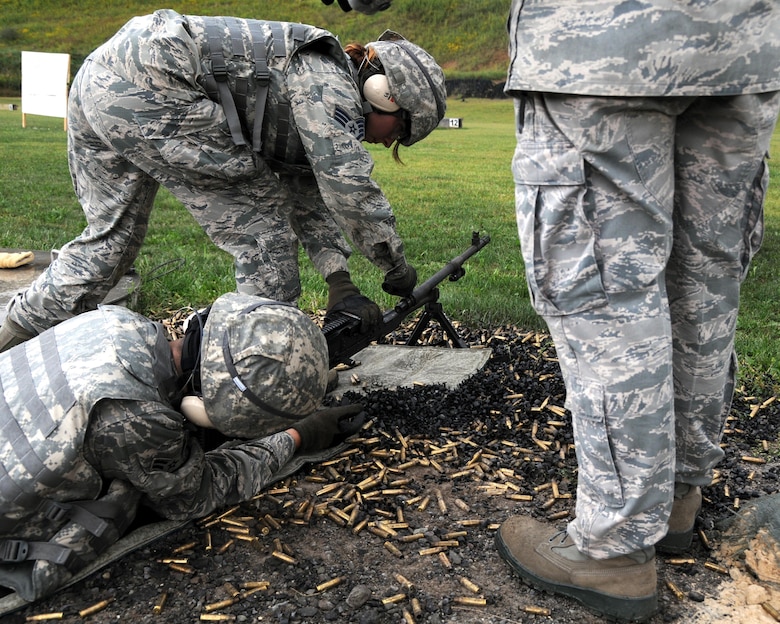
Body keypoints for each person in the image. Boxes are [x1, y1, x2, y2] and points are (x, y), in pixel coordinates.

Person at [489, 2, 780, 623]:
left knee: (603, 294)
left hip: (599, 46)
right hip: (742, 47)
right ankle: (677, 498)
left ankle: (615, 548)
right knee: (705, 284)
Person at [0, 9, 446, 353]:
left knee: (107, 245)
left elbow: (308, 191)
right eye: (400, 132)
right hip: (156, 81)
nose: (389, 143)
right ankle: (259, 370)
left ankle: (10, 334)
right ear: (384, 94)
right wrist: (396, 269)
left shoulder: (319, 92)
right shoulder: (329, 86)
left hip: (105, 78)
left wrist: (340, 283)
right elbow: (349, 189)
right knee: (264, 236)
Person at [0, 291, 364, 602]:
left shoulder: (118, 323)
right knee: (127, 496)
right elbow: (198, 493)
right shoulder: (140, 419)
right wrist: (298, 436)